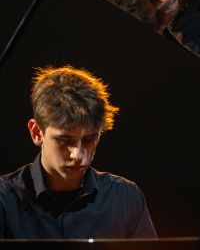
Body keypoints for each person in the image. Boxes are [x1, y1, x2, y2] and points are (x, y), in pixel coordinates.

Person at [0, 65, 157, 239]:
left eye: (89, 139)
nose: (78, 155)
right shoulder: (4, 199)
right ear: (37, 133)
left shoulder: (126, 198)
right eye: (65, 140)